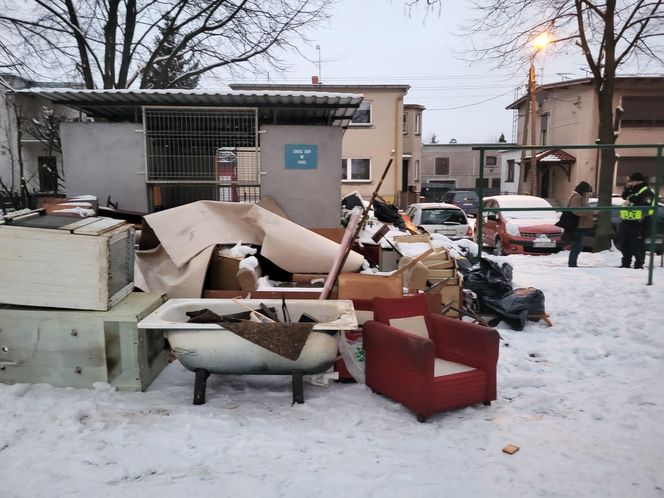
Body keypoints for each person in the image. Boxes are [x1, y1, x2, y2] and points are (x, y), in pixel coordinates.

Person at [619, 172, 656, 269]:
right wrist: (627, 189)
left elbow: (646, 206)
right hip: (627, 221)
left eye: (631, 181)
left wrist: (633, 200)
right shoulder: (633, 190)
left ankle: (639, 264)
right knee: (624, 244)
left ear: (638, 181)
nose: (629, 183)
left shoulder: (646, 191)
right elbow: (624, 196)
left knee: (637, 244)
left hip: (639, 222)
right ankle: (626, 263)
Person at [565, 181, 594, 267]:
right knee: (576, 247)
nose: (588, 194)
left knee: (577, 247)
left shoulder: (579, 197)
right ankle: (572, 264)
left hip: (580, 225)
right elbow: (576, 211)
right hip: (578, 226)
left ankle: (573, 264)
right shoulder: (576, 198)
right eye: (587, 192)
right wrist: (588, 212)